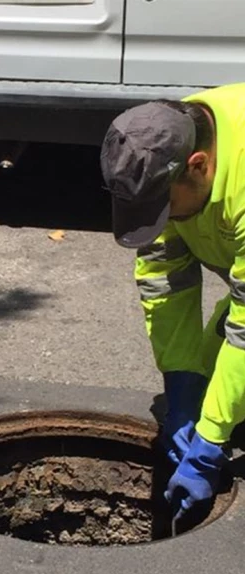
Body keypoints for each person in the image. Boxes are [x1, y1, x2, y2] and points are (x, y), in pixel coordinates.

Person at [100, 83, 245, 532]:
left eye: (165, 208)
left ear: (199, 166)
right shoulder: (170, 148)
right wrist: (182, 386)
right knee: (206, 390)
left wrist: (210, 442)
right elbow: (165, 283)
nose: (161, 220)